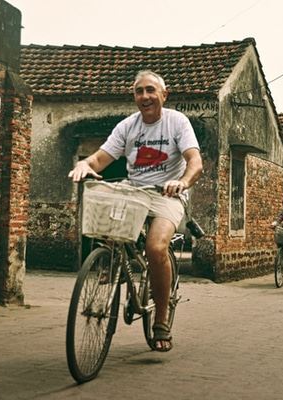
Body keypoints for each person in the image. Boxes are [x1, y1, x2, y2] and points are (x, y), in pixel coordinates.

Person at [68, 70, 203, 352]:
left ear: (164, 95)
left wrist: (182, 182)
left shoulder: (177, 122)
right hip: (134, 191)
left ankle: (161, 320)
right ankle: (116, 263)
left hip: (168, 194)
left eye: (151, 90)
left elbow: (195, 161)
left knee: (155, 248)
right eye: (139, 91)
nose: (145, 96)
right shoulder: (127, 126)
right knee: (106, 228)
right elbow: (101, 158)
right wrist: (85, 165)